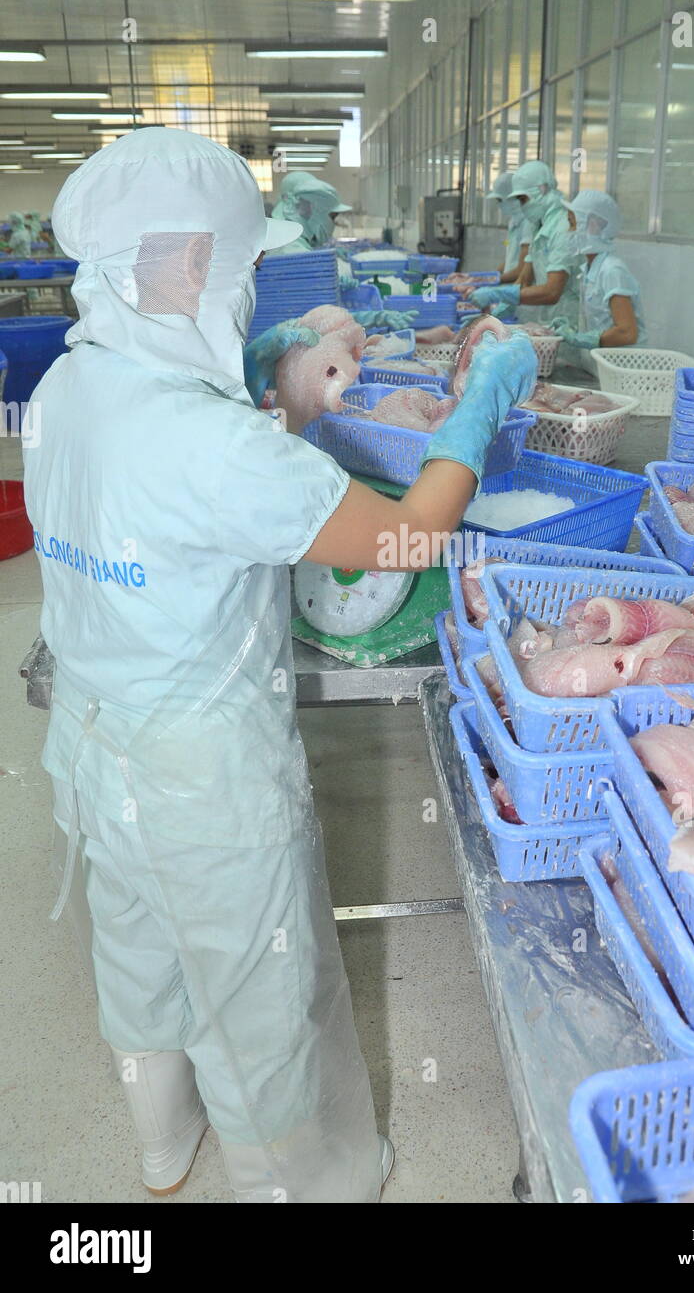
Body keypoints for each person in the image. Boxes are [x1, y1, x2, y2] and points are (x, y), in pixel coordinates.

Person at [23, 127, 536, 1204]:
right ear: (193, 264)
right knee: (256, 993)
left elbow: (169, 492)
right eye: (244, 267)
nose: (250, 288)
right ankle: (302, 1185)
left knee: (143, 957)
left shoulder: (74, 389)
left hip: (93, 741)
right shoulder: (215, 451)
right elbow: (403, 538)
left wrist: (273, 387)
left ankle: (163, 1154)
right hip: (202, 778)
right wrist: (478, 407)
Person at [268, 169, 416, 335]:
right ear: (307, 210)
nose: (333, 224)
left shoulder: (287, 242)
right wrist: (375, 318)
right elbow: (317, 318)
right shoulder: (292, 252)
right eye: (331, 217)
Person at [468, 160, 581, 333]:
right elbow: (524, 278)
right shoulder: (539, 226)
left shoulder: (562, 227)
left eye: (523, 199)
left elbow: (552, 291)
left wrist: (497, 294)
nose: (522, 206)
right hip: (548, 322)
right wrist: (498, 311)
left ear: (542, 190)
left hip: (569, 324)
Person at [554, 190, 646, 350]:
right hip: (602, 363)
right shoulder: (589, 269)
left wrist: (582, 339)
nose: (569, 231)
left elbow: (627, 333)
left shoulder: (612, 270)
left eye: (573, 223)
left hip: (621, 366)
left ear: (593, 225)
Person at [486, 171, 530, 281]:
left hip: (520, 286)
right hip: (510, 283)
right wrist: (491, 275)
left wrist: (494, 281)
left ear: (511, 197)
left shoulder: (528, 222)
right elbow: (511, 260)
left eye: (500, 200)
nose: (498, 204)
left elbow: (523, 268)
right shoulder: (514, 221)